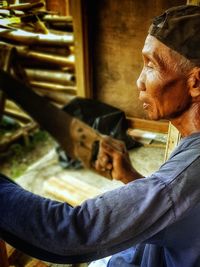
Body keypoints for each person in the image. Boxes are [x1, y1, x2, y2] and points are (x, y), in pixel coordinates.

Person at [0, 4, 200, 267]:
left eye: (151, 66)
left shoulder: (190, 169)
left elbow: (71, 233)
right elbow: (177, 212)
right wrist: (128, 176)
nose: (139, 81)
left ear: (195, 83)